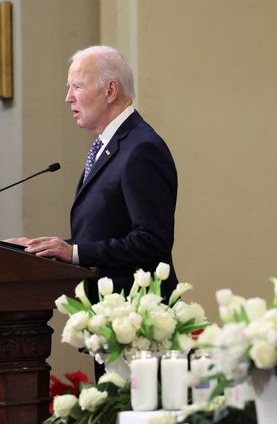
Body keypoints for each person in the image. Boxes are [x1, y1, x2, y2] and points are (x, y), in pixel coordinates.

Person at [14, 45, 179, 301]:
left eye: (77, 86)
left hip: (137, 315)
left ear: (110, 90)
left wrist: (75, 252)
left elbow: (152, 241)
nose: (68, 97)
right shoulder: (109, 145)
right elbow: (104, 234)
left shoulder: (142, 149)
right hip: (106, 311)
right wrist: (42, 249)